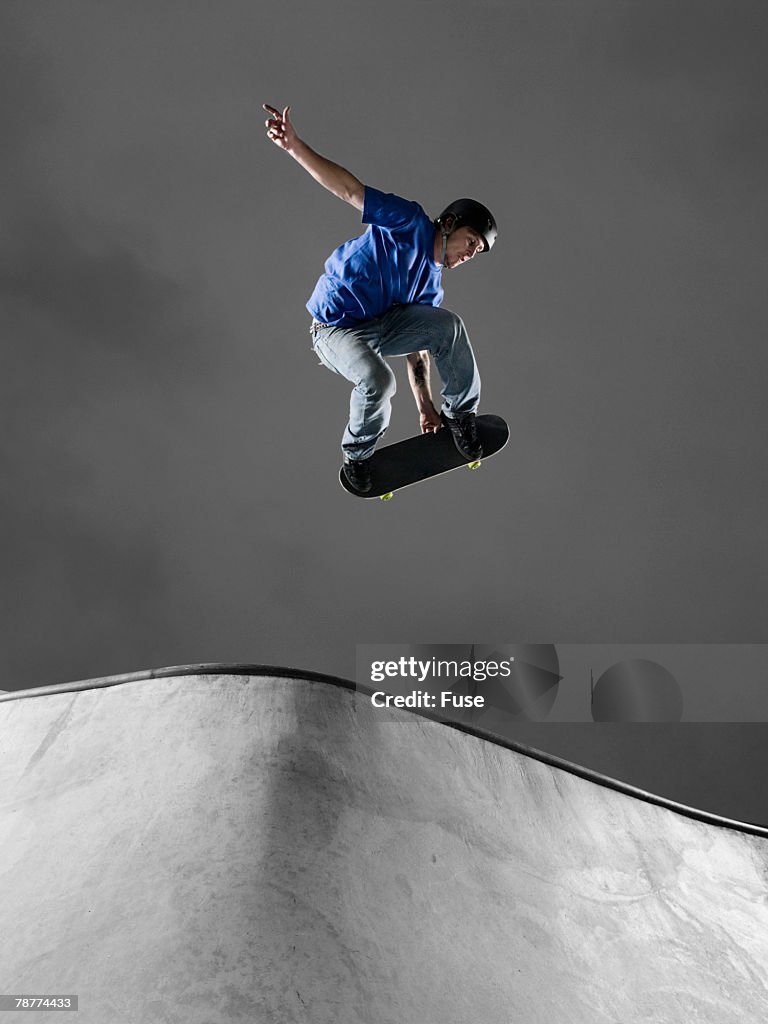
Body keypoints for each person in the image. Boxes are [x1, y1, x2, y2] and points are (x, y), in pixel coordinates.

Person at [263, 103, 497, 494]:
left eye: (476, 253)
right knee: (377, 380)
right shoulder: (409, 221)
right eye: (471, 242)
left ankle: (460, 417)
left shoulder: (430, 283)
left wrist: (424, 408)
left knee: (447, 326)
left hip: (382, 327)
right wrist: (295, 147)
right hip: (335, 329)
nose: (469, 253)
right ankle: (357, 454)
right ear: (451, 224)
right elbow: (350, 190)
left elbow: (418, 350)